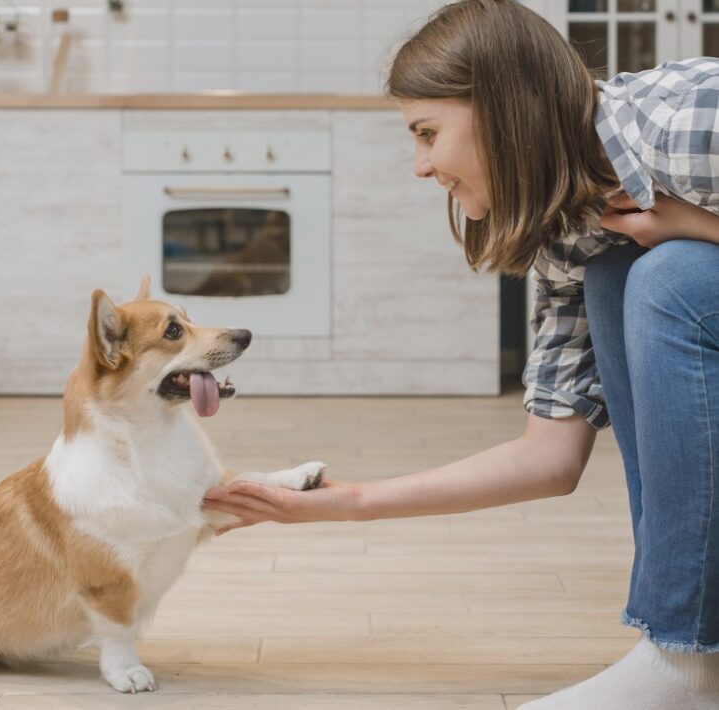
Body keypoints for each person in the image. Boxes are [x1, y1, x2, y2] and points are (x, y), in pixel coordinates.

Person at [202, 1, 719, 708]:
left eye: (427, 133)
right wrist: (345, 504)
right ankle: (689, 639)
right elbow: (550, 456)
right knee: (619, 274)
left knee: (668, 279)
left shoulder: (689, 120)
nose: (421, 167)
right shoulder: (574, 230)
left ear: (506, 108)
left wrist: (695, 225)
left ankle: (685, 665)